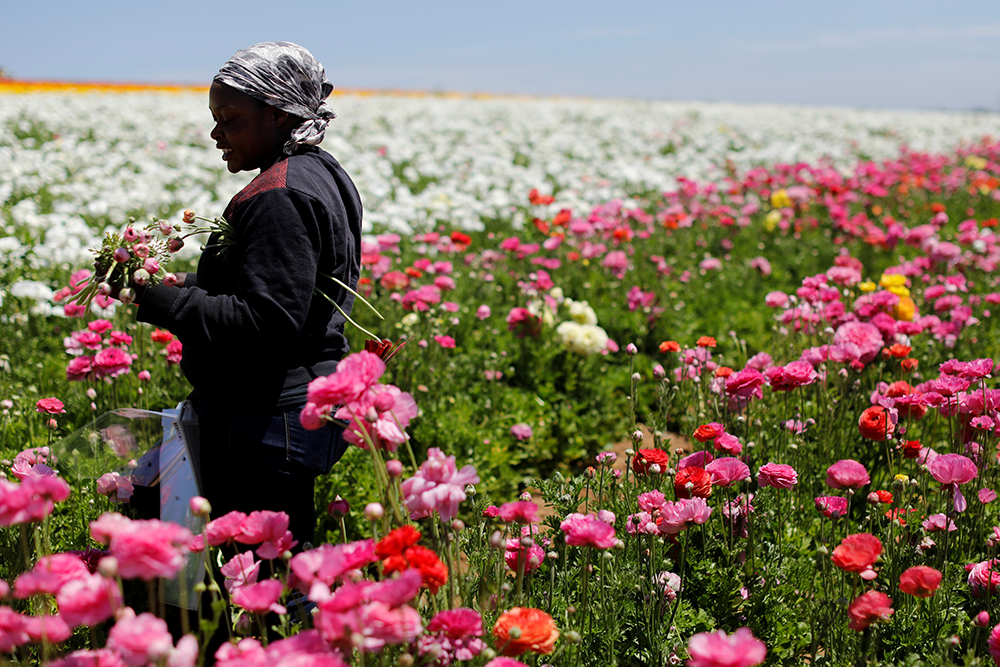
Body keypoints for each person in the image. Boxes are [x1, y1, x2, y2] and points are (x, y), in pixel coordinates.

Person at [134, 42, 362, 546]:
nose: (217, 135)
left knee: (257, 581)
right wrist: (182, 287)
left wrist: (160, 303)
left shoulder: (279, 194)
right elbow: (285, 291)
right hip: (289, 408)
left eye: (230, 120)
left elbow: (267, 322)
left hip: (263, 420)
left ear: (278, 115)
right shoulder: (321, 173)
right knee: (277, 572)